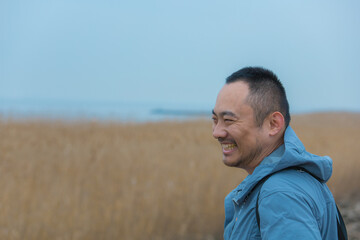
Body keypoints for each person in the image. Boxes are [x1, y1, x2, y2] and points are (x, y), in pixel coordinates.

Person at [212, 67, 340, 239]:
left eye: (229, 120)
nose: (217, 132)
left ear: (273, 124)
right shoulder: (294, 181)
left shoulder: (280, 194)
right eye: (215, 120)